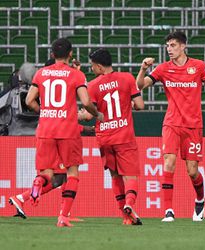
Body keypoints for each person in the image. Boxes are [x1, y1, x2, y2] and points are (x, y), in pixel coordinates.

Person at [136, 31, 205, 222]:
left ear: (183, 46)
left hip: (193, 125)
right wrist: (143, 69)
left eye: (173, 45)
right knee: (169, 162)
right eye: (168, 46)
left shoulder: (199, 66)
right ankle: (168, 211)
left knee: (192, 170)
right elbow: (140, 86)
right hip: (171, 123)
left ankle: (200, 200)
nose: (170, 49)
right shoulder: (162, 69)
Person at [25, 38, 103, 227]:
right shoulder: (76, 76)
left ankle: (38, 182)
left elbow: (29, 101)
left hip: (45, 129)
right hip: (68, 130)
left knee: (48, 173)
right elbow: (85, 102)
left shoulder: (41, 73)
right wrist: (97, 114)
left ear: (52, 54)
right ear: (70, 54)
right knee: (72, 172)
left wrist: (44, 111)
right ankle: (63, 216)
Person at [78, 48, 144, 225]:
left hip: (105, 138)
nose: (92, 69)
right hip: (124, 135)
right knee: (130, 176)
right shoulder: (127, 78)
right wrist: (128, 104)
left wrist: (75, 114)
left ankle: (125, 217)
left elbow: (89, 115)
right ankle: (129, 205)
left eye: (92, 66)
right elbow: (140, 105)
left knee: (115, 176)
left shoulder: (92, 86)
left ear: (99, 66)